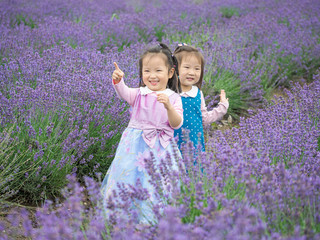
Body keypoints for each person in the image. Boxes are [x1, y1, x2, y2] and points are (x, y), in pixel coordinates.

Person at [101, 43, 183, 224]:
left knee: (158, 180)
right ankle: (125, 213)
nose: (152, 76)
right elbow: (124, 93)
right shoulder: (139, 94)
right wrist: (118, 81)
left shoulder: (175, 97)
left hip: (161, 148)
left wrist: (168, 106)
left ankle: (153, 216)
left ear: (170, 73)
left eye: (158, 71)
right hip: (134, 147)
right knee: (129, 175)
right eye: (147, 71)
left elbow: (177, 124)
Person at [173, 43, 229, 153]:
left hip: (194, 143)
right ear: (174, 69)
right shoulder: (169, 92)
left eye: (197, 68)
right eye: (187, 67)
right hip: (172, 143)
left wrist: (222, 107)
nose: (192, 72)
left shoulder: (197, 94)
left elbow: (204, 119)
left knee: (193, 168)